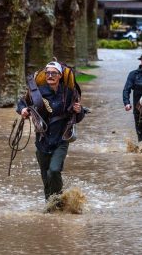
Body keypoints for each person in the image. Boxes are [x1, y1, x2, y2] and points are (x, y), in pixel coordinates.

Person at [16, 61, 86, 204]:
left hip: (61, 139)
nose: (50, 76)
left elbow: (77, 117)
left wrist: (80, 111)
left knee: (54, 170)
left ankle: (58, 200)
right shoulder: (37, 92)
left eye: (53, 73)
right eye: (48, 73)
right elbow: (22, 103)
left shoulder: (69, 92)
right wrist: (22, 110)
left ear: (60, 76)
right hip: (42, 140)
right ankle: (50, 204)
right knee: (45, 176)